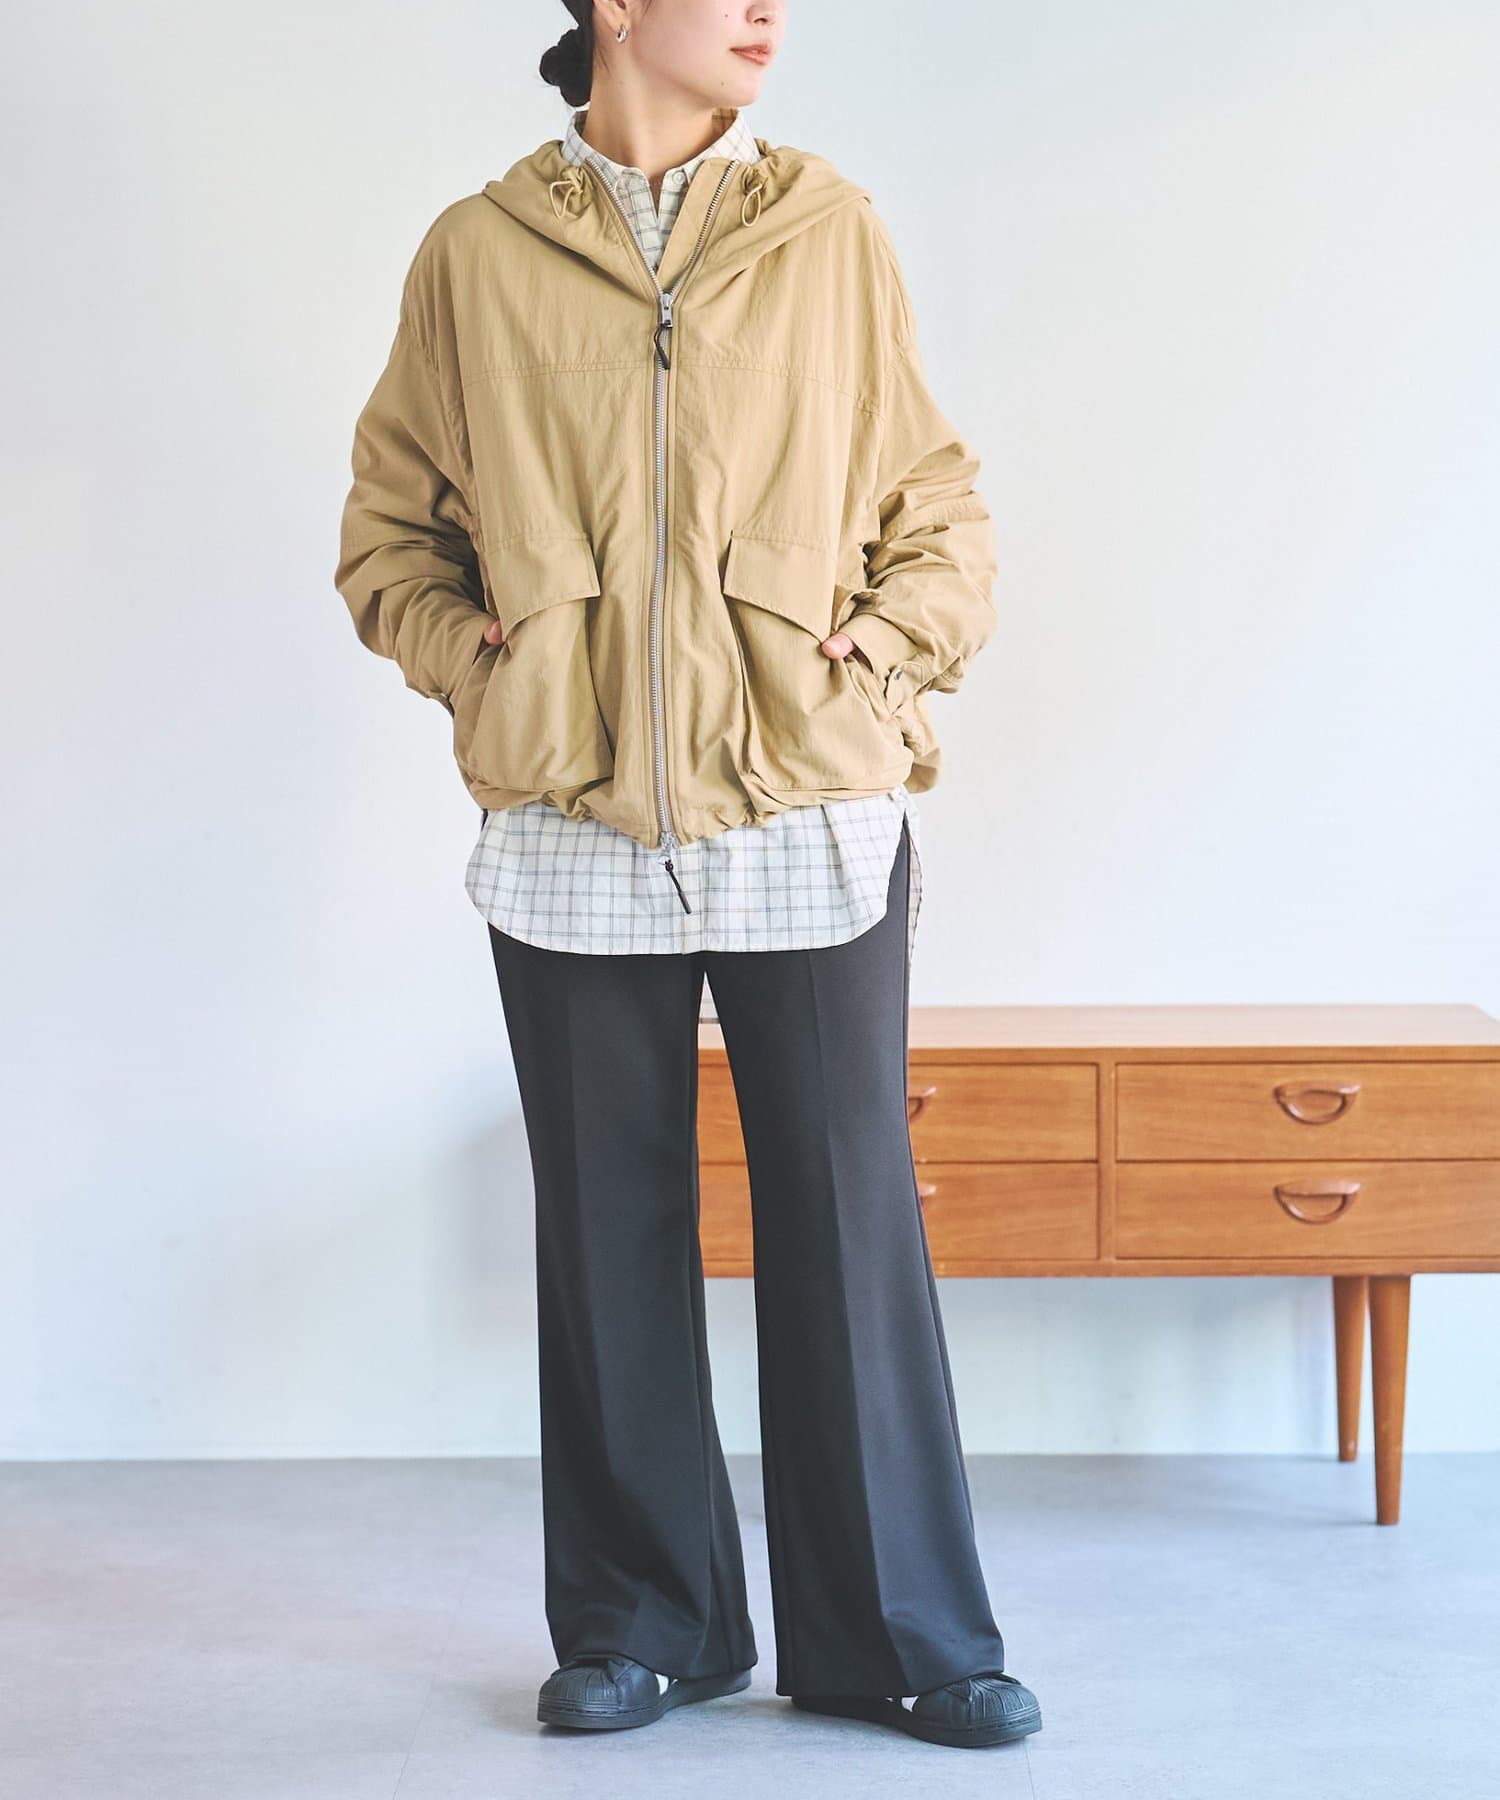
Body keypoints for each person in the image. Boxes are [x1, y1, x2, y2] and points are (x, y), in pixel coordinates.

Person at [334, 0, 1043, 1754]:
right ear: (613, 7)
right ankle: (645, 1624)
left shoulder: (829, 230)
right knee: (605, 1229)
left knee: (847, 1221)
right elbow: (388, 535)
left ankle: (899, 1634)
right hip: (570, 820)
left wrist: (882, 655)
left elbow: (937, 506)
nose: (767, 11)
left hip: (807, 806)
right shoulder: (477, 253)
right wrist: (483, 668)